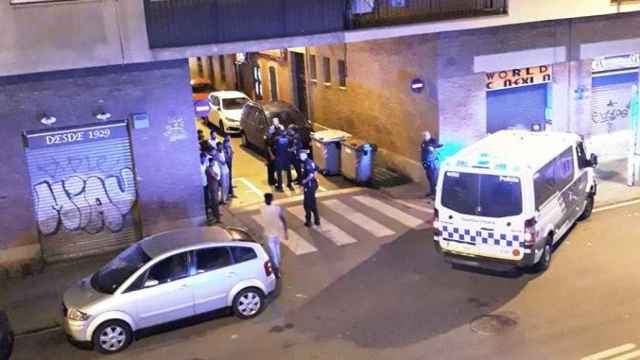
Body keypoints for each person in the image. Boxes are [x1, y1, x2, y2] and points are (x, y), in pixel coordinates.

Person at [259, 193, 288, 278]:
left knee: (274, 254)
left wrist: (285, 231)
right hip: (274, 234)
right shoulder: (277, 209)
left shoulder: (262, 208)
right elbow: (283, 220)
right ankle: (276, 270)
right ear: (272, 199)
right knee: (275, 254)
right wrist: (285, 231)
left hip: (270, 235)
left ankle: (276, 268)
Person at [300, 151, 320, 226]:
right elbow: (316, 169)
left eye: (301, 155)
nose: (300, 156)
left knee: (307, 204)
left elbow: (311, 175)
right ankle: (317, 220)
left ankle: (308, 221)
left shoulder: (307, 163)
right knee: (312, 202)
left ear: (304, 155)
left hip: (309, 186)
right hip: (312, 185)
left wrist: (304, 181)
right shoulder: (310, 161)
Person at [421, 131, 443, 198]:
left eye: (426, 135)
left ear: (429, 135)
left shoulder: (433, 141)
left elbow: (438, 146)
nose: (424, 137)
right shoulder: (423, 142)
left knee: (433, 179)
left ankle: (436, 194)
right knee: (429, 179)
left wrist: (432, 148)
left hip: (432, 164)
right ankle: (432, 192)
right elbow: (423, 149)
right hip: (426, 164)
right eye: (423, 135)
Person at [206, 156, 221, 224]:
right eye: (213, 162)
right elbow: (215, 176)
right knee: (215, 203)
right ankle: (216, 218)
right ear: (211, 162)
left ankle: (216, 217)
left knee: (215, 203)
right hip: (213, 188)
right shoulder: (209, 169)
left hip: (214, 187)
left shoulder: (209, 169)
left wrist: (216, 175)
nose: (214, 163)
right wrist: (216, 175)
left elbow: (216, 175)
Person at [200, 152, 211, 217]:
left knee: (207, 198)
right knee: (204, 199)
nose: (204, 160)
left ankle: (208, 211)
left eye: (205, 158)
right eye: (203, 158)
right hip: (201, 185)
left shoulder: (205, 164)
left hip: (206, 183)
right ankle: (205, 213)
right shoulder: (198, 166)